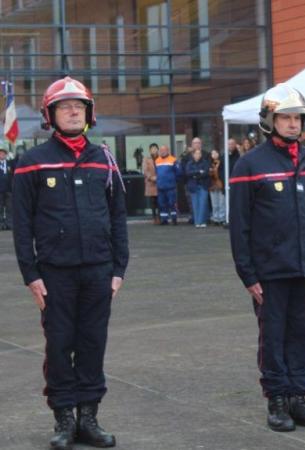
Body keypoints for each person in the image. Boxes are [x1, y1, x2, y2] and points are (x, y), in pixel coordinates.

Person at [12, 76, 128, 449]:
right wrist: (31, 274)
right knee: (60, 345)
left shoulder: (104, 160)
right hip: (54, 275)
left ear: (89, 113)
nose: (73, 110)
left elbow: (117, 218)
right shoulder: (32, 163)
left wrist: (118, 269)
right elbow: (22, 224)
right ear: (51, 115)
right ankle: (64, 419)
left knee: (93, 344)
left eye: (79, 105)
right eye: (65, 106)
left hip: (98, 272)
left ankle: (89, 418)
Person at [229, 83, 305, 432]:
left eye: (297, 118)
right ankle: (276, 399)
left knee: (302, 334)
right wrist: (248, 275)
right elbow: (240, 226)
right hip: (270, 272)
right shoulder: (249, 164)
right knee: (273, 337)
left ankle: (297, 397)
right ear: (269, 120)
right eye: (284, 117)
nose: (292, 124)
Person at [186, 148, 210, 228]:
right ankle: (197, 222)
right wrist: (199, 171)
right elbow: (188, 173)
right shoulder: (189, 163)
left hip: (203, 185)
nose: (198, 155)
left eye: (199, 153)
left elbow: (206, 173)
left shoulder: (205, 162)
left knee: (203, 204)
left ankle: (202, 221)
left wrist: (195, 175)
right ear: (193, 155)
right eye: (196, 153)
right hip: (193, 186)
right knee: (195, 204)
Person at [155, 145, 179, 225]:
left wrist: (173, 181)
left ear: (168, 151)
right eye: (161, 150)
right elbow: (157, 172)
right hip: (160, 186)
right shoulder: (157, 161)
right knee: (161, 203)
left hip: (170, 186)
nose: (162, 152)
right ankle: (164, 219)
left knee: (172, 203)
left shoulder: (173, 160)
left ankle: (174, 219)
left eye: (164, 150)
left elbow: (178, 173)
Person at [143, 143, 159, 224]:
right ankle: (154, 217)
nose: (154, 150)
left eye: (155, 148)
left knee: (159, 200)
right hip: (151, 182)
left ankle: (160, 217)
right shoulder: (147, 159)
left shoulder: (160, 158)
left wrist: (158, 178)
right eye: (152, 148)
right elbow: (145, 170)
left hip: (159, 182)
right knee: (153, 201)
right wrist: (151, 177)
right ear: (150, 150)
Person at [208, 149, 225, 225]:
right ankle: (215, 218)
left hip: (221, 183)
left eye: (215, 153)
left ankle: (222, 218)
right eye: (212, 153)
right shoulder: (209, 163)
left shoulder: (223, 162)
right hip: (212, 184)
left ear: (218, 154)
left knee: (222, 202)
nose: (214, 155)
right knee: (214, 203)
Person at [0, 146, 15, 230]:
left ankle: (9, 224)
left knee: (9, 207)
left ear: (6, 155)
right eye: (0, 154)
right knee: (0, 208)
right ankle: (1, 224)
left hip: (9, 189)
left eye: (3, 154)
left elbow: (17, 164)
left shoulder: (10, 163)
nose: (1, 155)